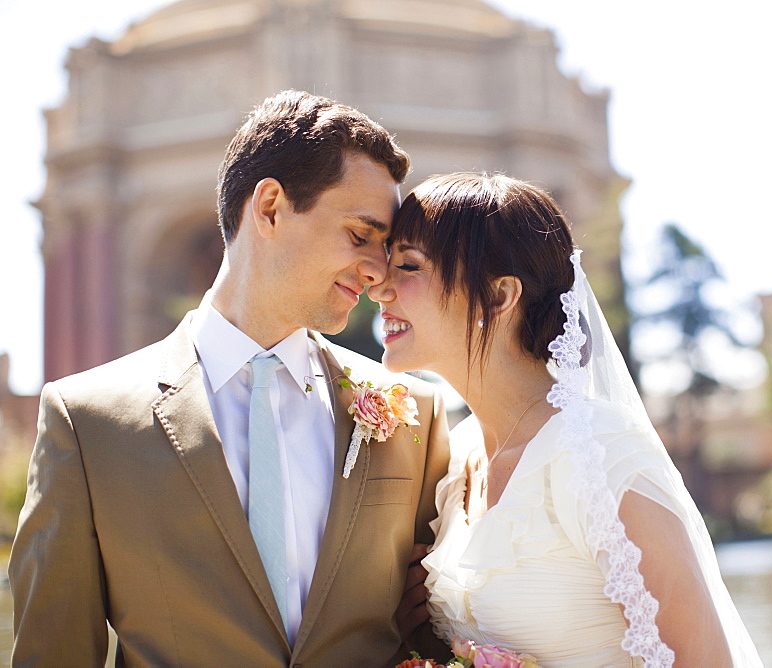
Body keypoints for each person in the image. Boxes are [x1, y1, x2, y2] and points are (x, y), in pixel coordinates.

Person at [9, 90, 450, 666]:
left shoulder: (415, 412)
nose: (377, 270)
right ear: (269, 208)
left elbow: (430, 637)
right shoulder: (88, 422)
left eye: (385, 248)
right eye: (360, 235)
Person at [369, 173, 762, 667]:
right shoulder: (456, 458)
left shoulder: (599, 451)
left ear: (499, 296)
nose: (380, 288)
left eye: (407, 266)